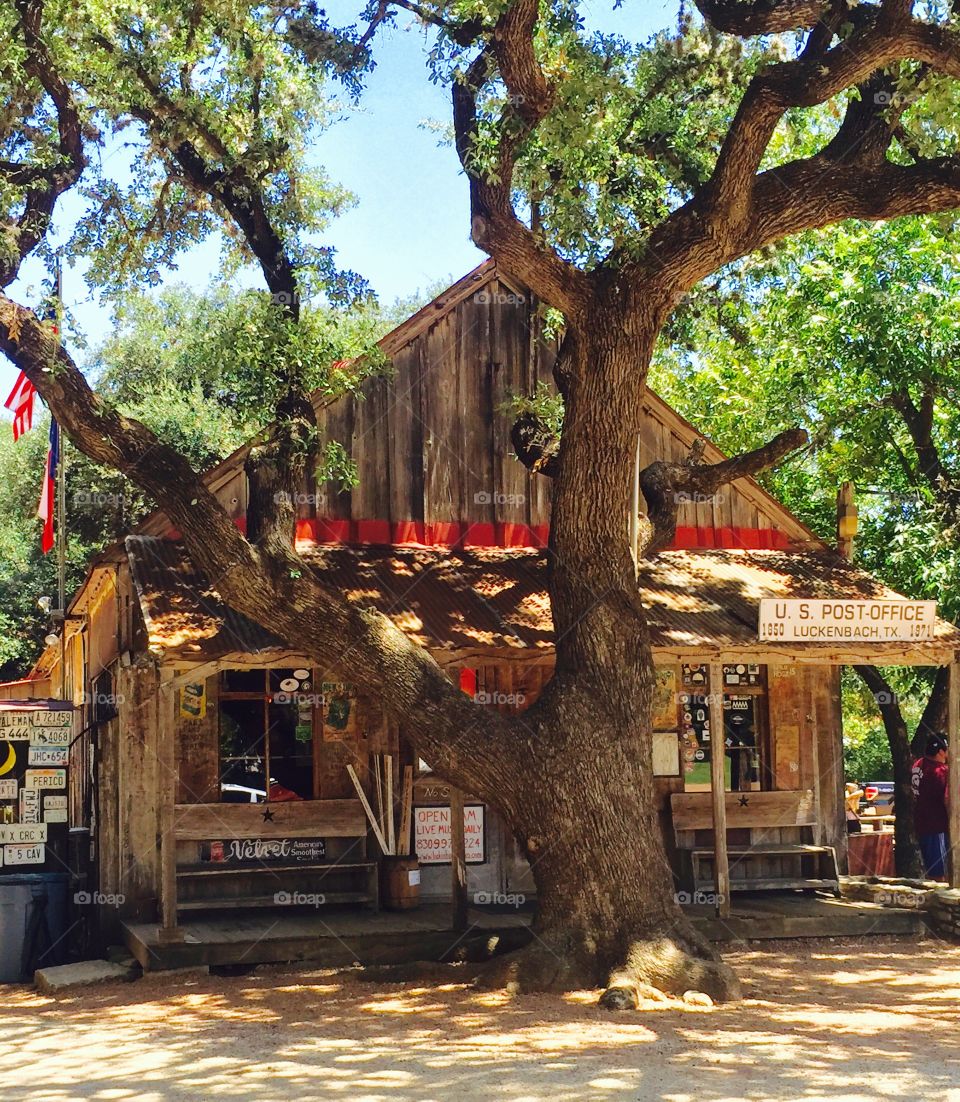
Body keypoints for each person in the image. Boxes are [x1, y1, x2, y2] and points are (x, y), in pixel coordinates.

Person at [912, 733, 949, 880]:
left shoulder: (918, 764)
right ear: (941, 751)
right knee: (940, 873)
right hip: (937, 826)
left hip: (921, 823)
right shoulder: (941, 772)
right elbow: (947, 798)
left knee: (931, 868)